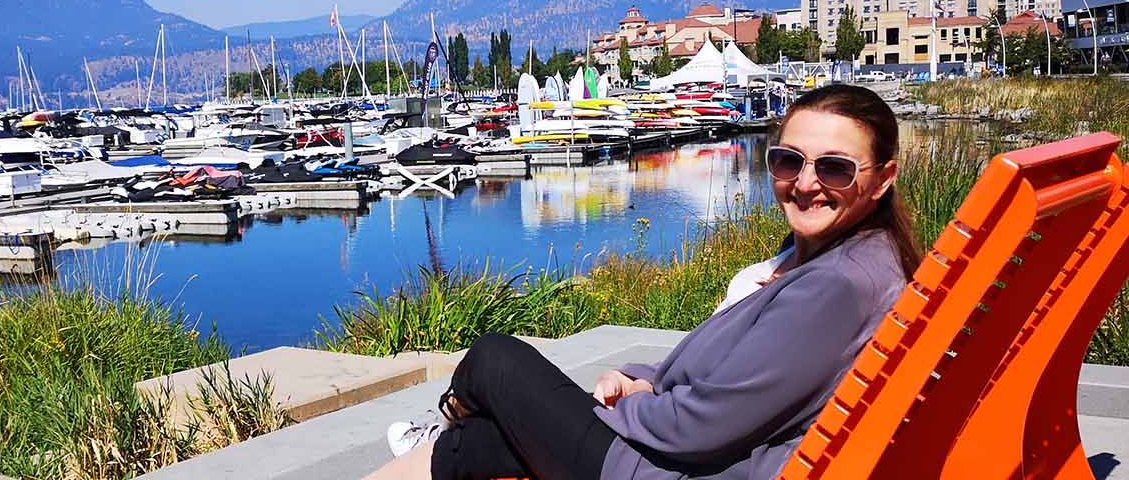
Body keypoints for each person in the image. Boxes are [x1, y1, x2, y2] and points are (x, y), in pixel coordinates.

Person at [366, 84, 923, 480]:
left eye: (834, 169)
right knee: (481, 444)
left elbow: (703, 426)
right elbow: (737, 376)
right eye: (787, 161)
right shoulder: (846, 256)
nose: (805, 184)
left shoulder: (839, 286)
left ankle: (440, 421)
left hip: (669, 469)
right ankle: (445, 435)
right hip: (687, 453)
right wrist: (646, 380)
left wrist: (616, 408)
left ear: (881, 180)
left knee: (495, 359)